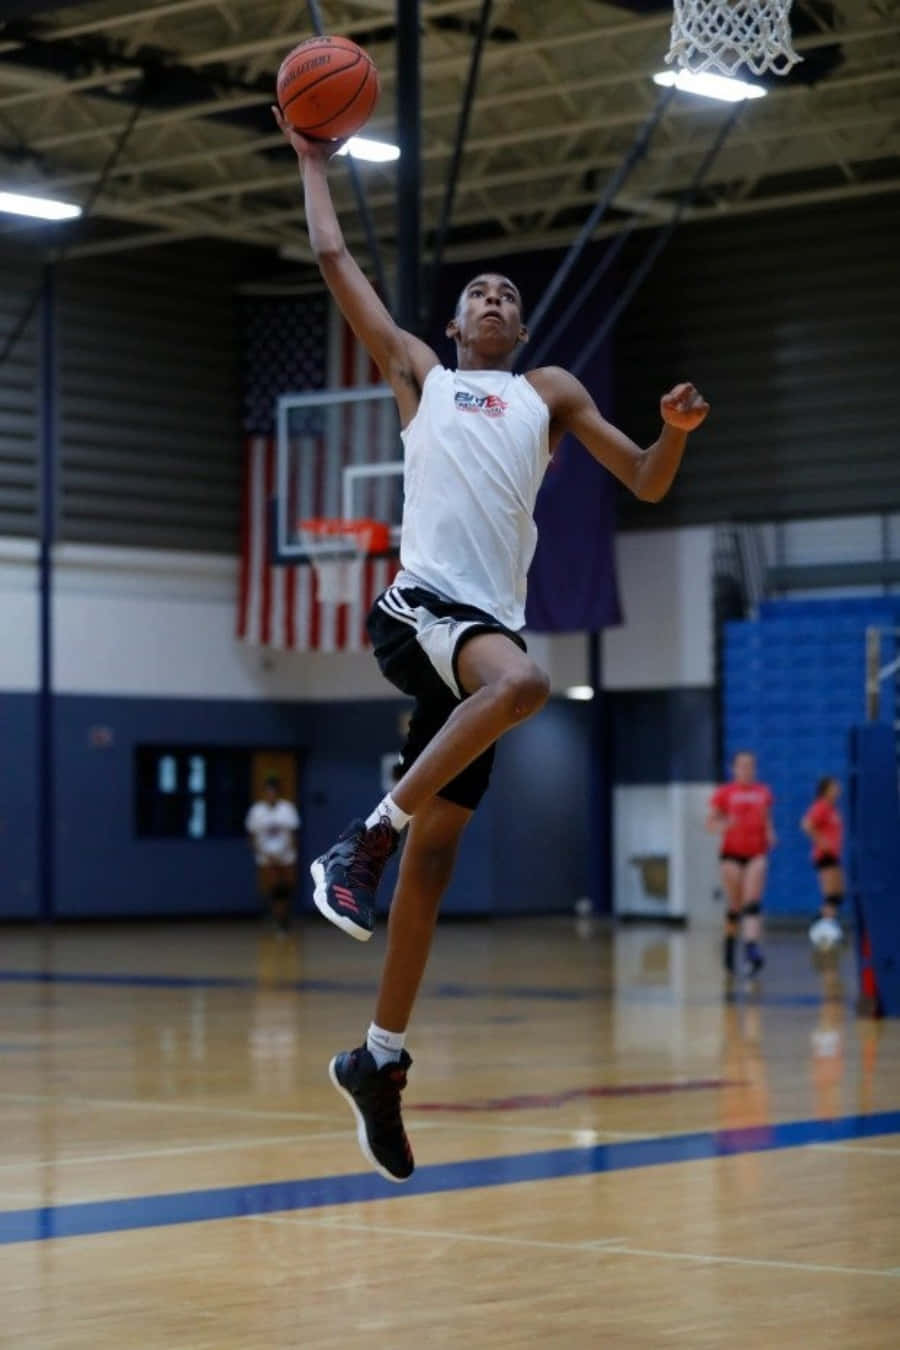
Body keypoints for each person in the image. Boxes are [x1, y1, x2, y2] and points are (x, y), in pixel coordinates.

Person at [274, 106, 710, 1182]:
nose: (496, 299)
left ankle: (377, 1059)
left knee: (438, 859)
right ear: (456, 322)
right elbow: (333, 258)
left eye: (510, 295)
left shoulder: (548, 395)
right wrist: (309, 160)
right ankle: (357, 838)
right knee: (526, 681)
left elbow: (645, 480)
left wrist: (678, 435)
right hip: (421, 612)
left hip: (478, 645)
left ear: (520, 329)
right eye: (480, 292)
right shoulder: (419, 371)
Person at [707, 751, 775, 980]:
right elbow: (710, 823)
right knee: (735, 905)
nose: (746, 769)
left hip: (756, 852)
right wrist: (725, 824)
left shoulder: (762, 792)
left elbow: (767, 820)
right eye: (742, 765)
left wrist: (770, 834)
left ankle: (752, 950)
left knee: (751, 902)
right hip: (731, 855)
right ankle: (729, 946)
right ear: (733, 768)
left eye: (750, 765)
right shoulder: (725, 793)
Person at [245, 777, 300, 933]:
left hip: (286, 856)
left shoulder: (287, 809)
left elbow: (293, 834)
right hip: (266, 857)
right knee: (272, 888)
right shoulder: (256, 811)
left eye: (273, 792)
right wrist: (264, 854)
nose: (271, 795)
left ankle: (284, 917)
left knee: (286, 888)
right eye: (268, 792)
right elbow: (251, 837)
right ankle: (276, 918)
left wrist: (284, 853)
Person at [802, 776, 845, 950]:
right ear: (826, 789)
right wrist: (821, 841)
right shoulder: (821, 806)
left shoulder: (832, 808)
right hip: (824, 855)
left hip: (833, 854)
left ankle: (823, 928)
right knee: (830, 896)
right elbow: (806, 824)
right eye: (834, 786)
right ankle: (823, 933)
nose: (838, 789)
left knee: (837, 895)